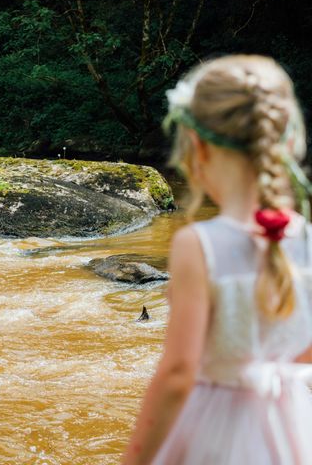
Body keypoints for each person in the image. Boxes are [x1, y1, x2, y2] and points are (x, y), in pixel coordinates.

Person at [123, 55, 312, 464]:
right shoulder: (308, 240)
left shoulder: (198, 244)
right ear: (287, 142)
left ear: (196, 146)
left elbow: (177, 375)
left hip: (216, 433)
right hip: (293, 432)